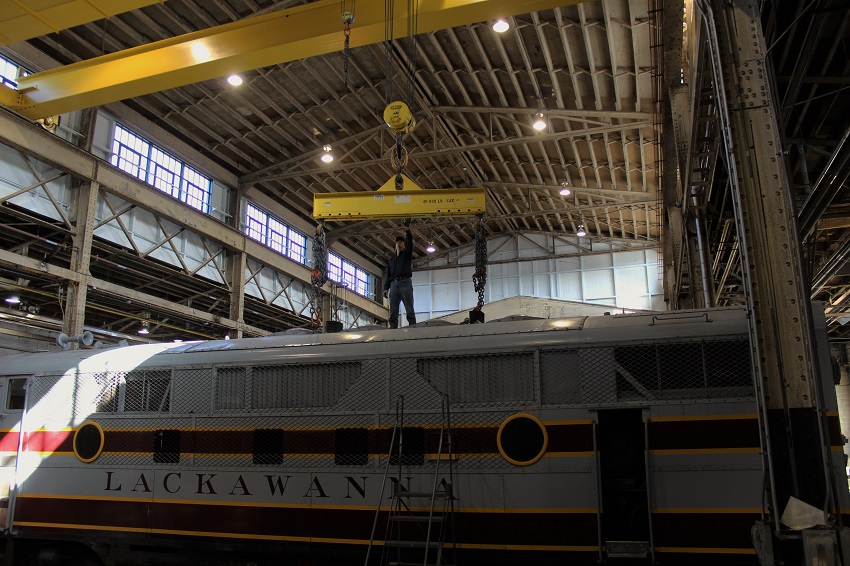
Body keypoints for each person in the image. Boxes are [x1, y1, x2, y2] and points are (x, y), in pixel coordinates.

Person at [384, 221, 416, 329]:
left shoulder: (406, 255)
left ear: (404, 245)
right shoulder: (392, 260)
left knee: (409, 306)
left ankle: (412, 325)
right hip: (393, 284)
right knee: (393, 308)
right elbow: (388, 274)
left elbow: (410, 244)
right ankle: (393, 327)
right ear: (395, 245)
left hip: (405, 282)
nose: (399, 243)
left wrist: (407, 230)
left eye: (402, 242)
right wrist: (385, 288)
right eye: (398, 242)